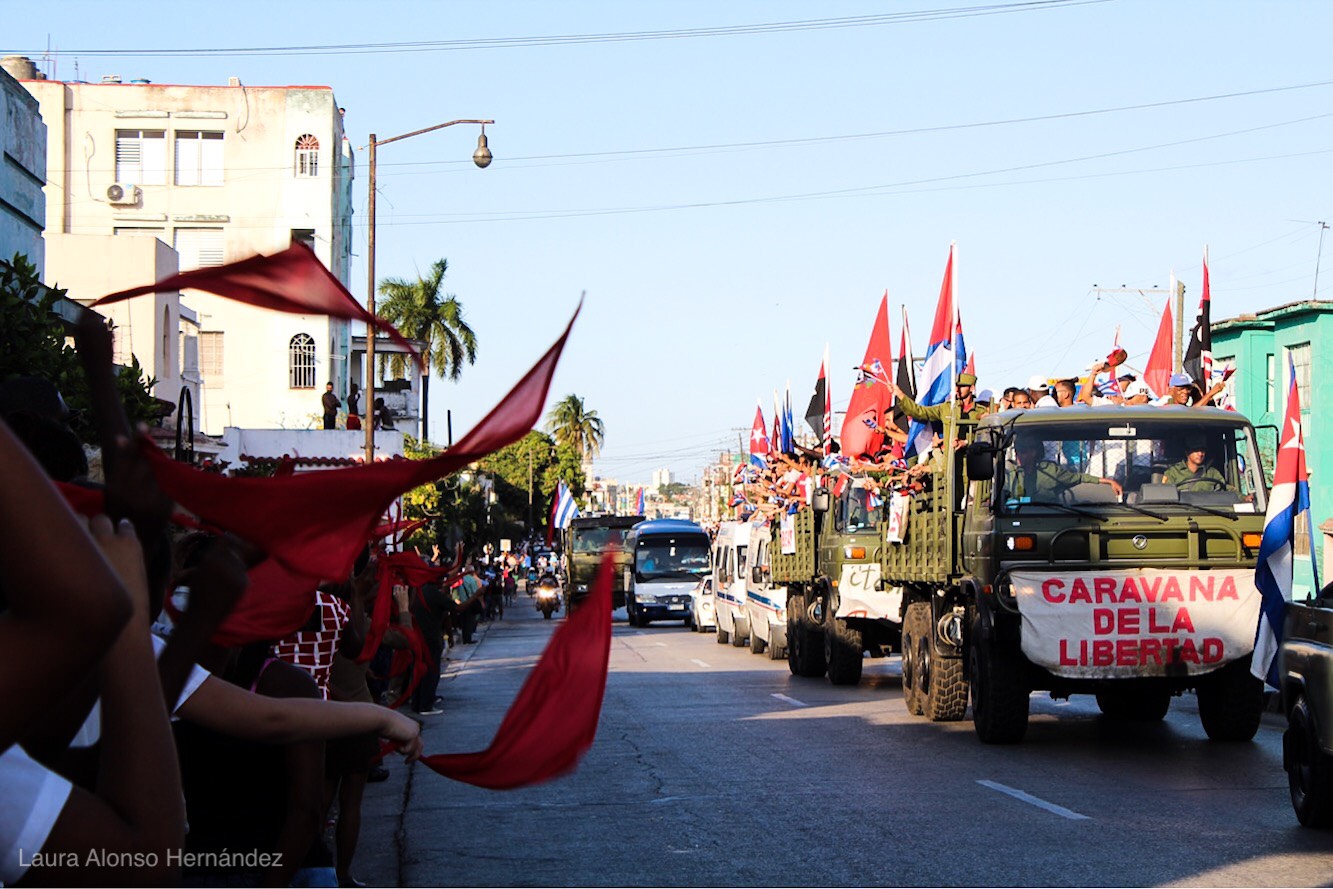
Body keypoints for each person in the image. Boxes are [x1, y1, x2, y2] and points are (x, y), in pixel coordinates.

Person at [1008, 437, 1123, 501]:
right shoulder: (1010, 472)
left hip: (1046, 515)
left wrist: (1109, 481)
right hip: (1018, 516)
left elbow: (1079, 478)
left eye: (1023, 452)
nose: (1018, 456)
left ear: (1033, 453)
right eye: (1017, 452)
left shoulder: (1050, 471)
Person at [1164, 435, 1229, 492]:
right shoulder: (1173, 473)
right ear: (1187, 452)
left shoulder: (1213, 473)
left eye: (1203, 450)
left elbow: (1226, 491)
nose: (1200, 454)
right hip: (1181, 506)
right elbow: (1166, 495)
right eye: (1196, 450)